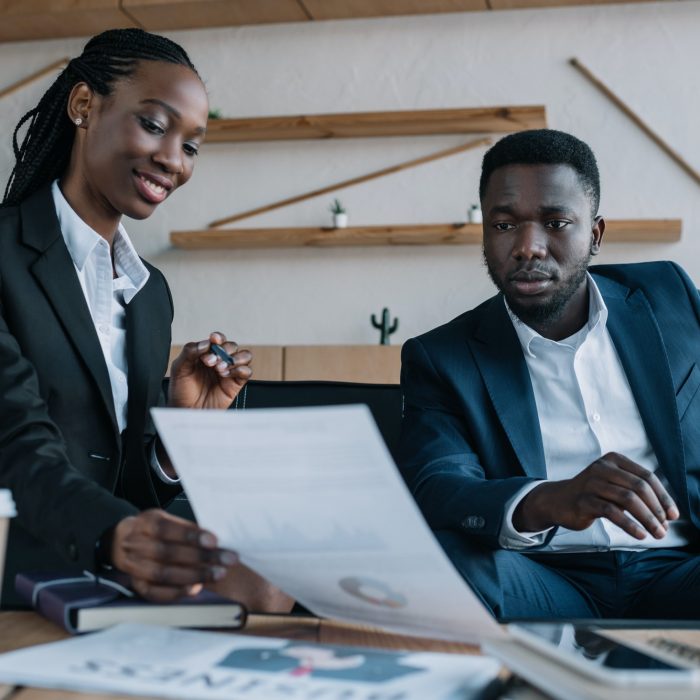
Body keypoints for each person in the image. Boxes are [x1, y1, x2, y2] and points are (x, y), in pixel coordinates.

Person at [0, 28, 285, 610]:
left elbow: (125, 479)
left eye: (192, 146)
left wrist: (176, 440)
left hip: (107, 551)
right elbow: (15, 441)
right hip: (17, 546)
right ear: (84, 106)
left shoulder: (150, 294)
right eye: (154, 125)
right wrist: (114, 536)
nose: (173, 161)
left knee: (272, 584)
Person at [398, 129, 700, 620]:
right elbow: (438, 482)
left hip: (680, 567)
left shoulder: (670, 296)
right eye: (503, 226)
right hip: (543, 576)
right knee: (437, 564)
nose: (527, 247)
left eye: (556, 222)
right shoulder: (442, 356)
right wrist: (549, 500)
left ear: (595, 234)